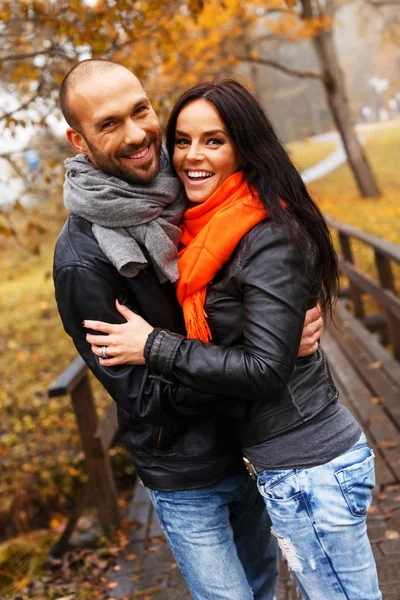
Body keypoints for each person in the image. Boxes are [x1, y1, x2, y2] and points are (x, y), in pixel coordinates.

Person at [85, 80, 382, 600]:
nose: (191, 156)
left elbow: (264, 371)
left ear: (244, 146)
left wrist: (154, 345)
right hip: (288, 466)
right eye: (182, 140)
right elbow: (257, 341)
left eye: (213, 141)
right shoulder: (202, 227)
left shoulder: (265, 233)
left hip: (309, 465)